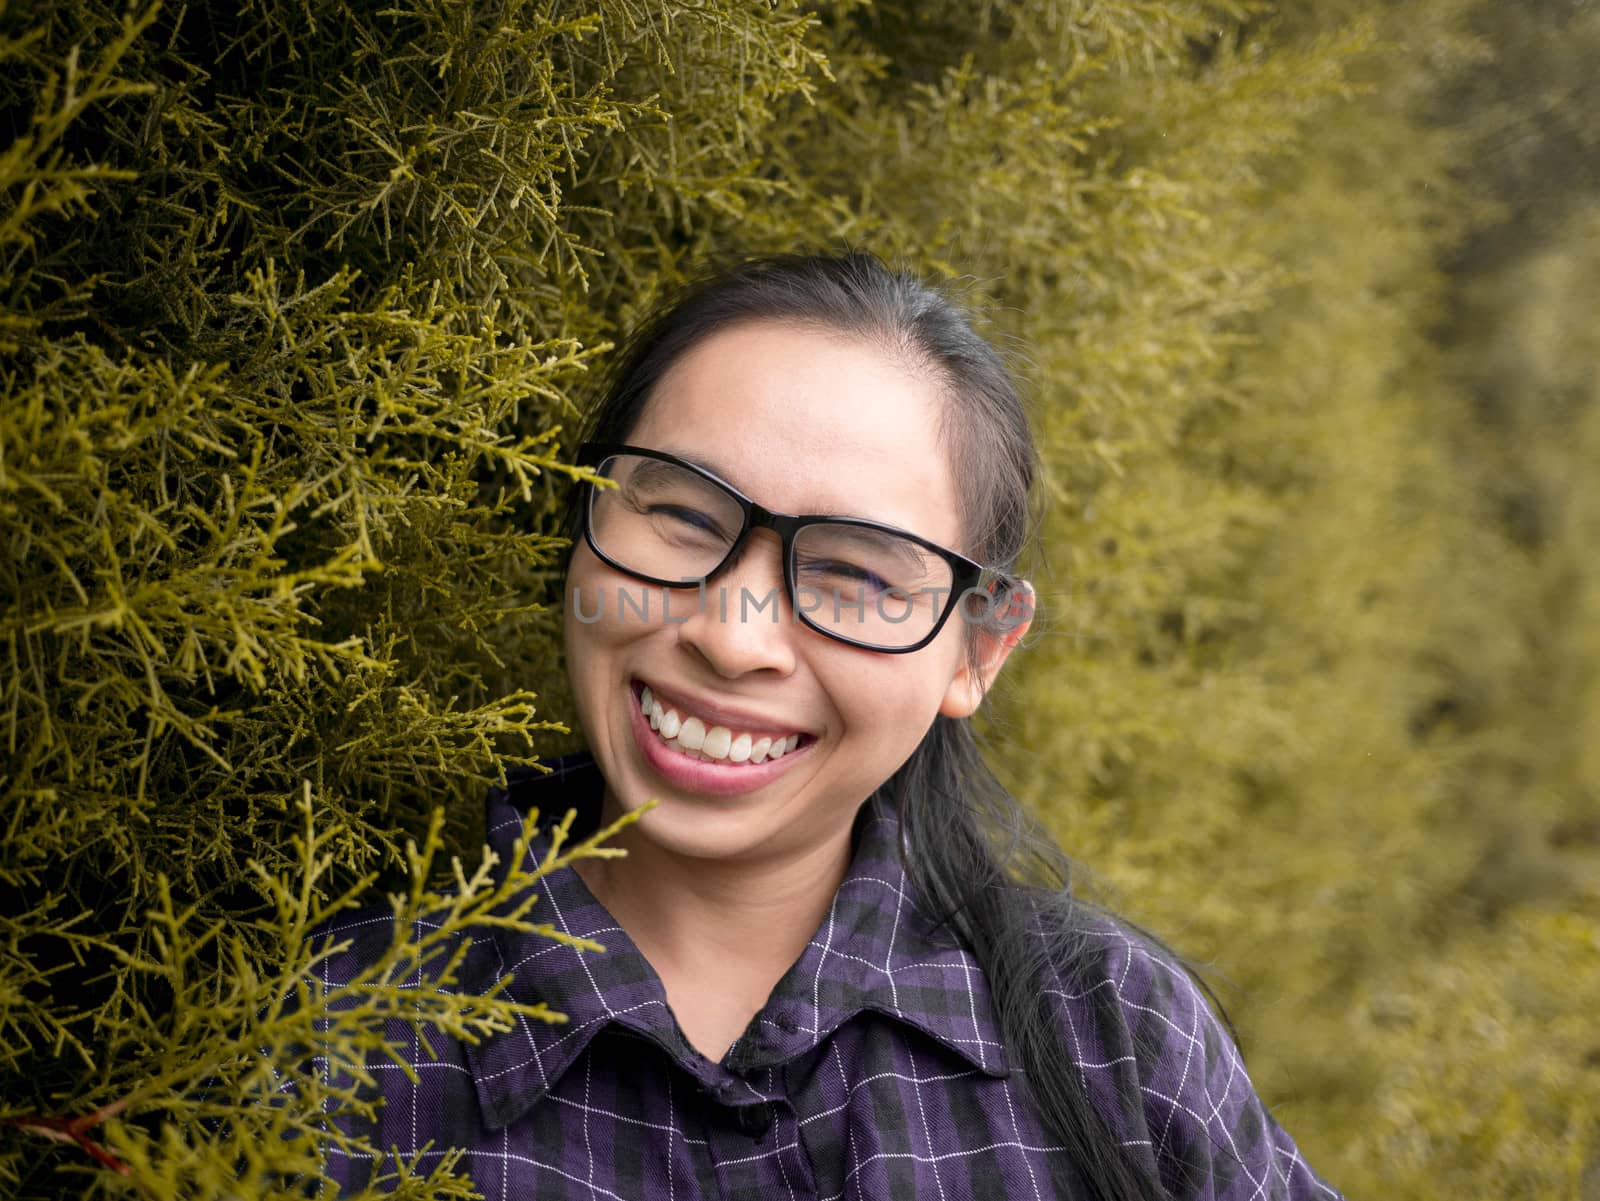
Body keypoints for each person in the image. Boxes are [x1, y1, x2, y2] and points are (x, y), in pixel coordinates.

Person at [313, 251, 1343, 1199]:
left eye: (854, 572)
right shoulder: (326, 1041)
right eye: (680, 516)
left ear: (978, 649)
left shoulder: (1113, 1037)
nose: (732, 636)